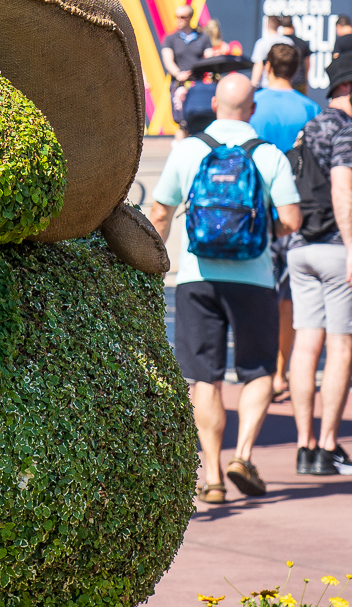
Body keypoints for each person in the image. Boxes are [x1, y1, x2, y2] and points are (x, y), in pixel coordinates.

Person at [149, 72, 301, 505]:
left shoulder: (189, 150)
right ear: (252, 110)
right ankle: (244, 455)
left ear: (215, 105)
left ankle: (212, 474)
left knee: (204, 378)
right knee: (258, 371)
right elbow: (291, 220)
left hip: (198, 278)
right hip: (254, 279)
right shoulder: (269, 154)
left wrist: (150, 263)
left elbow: (160, 212)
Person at [287, 50, 352, 477]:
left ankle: (304, 446)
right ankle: (329, 445)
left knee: (305, 343)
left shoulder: (307, 127)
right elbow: (342, 190)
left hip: (299, 247)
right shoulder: (346, 130)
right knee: (340, 345)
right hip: (335, 248)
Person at [251, 43, 319, 401]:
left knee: (260, 292)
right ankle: (279, 373)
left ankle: (261, 370)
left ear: (268, 66)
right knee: (288, 300)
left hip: (259, 212)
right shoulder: (310, 108)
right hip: (295, 213)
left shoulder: (255, 103)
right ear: (296, 69)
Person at [161, 4, 210, 138]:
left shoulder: (203, 38)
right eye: (177, 17)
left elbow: (209, 58)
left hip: (198, 85)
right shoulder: (170, 39)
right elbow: (168, 60)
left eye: (182, 17)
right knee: (181, 123)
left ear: (190, 18)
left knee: (199, 121)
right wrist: (179, 74)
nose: (179, 20)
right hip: (179, 85)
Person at [251, 14, 291, 88]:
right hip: (286, 86)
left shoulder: (262, 43)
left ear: (267, 25)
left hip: (267, 86)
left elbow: (258, 66)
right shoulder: (288, 42)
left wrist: (253, 86)